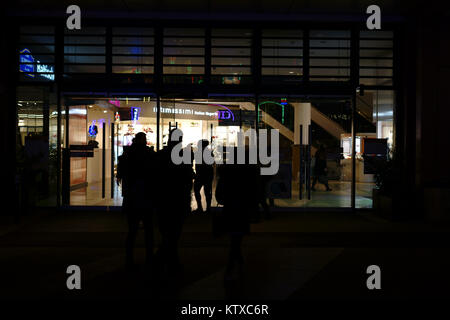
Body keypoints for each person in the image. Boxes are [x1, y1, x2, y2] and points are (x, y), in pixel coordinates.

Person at [215, 147, 259, 280]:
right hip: (242, 210)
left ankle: (233, 266)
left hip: (230, 209)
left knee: (234, 239)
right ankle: (236, 265)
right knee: (236, 239)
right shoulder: (248, 173)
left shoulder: (226, 172)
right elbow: (254, 192)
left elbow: (220, 195)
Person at [156, 129, 194, 273]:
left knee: (166, 230)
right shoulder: (185, 155)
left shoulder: (160, 155)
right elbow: (188, 176)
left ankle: (165, 257)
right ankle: (169, 259)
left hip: (164, 198)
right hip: (179, 198)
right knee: (175, 231)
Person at [117, 132, 156, 271]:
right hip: (146, 197)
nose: (146, 141)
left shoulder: (127, 154)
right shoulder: (148, 154)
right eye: (144, 139)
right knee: (149, 230)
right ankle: (149, 257)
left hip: (132, 197)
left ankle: (129, 258)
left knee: (132, 230)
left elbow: (121, 174)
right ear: (142, 140)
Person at [193, 139, 214, 214]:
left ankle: (200, 207)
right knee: (207, 191)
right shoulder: (209, 152)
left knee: (196, 189)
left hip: (200, 173)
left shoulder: (198, 152)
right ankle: (208, 208)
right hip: (208, 173)